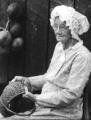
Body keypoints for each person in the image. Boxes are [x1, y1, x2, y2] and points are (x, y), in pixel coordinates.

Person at [8, 5, 91, 120]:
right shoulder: (59, 47)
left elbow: (70, 95)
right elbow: (49, 78)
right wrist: (27, 80)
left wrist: (36, 98)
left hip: (63, 113)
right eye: (55, 26)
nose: (57, 31)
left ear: (73, 28)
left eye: (62, 27)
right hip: (44, 107)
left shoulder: (82, 56)